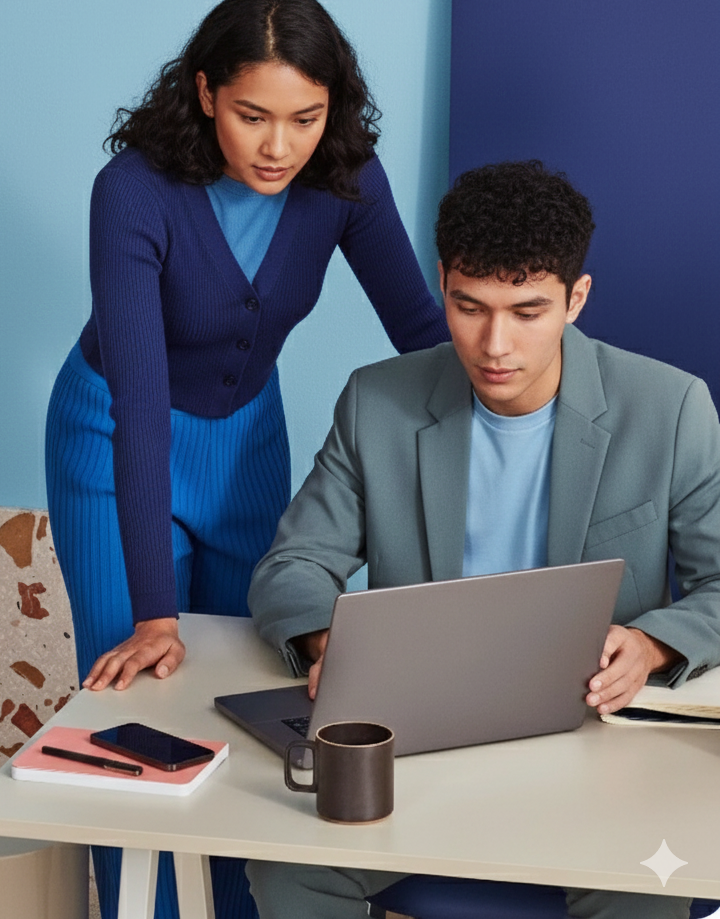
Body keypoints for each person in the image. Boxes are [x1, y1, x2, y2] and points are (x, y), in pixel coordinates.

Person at [44, 0, 448, 919]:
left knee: (254, 690)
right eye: (252, 116)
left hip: (246, 440)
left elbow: (417, 329)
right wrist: (153, 612)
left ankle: (235, 904)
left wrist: (518, 395)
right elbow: (142, 405)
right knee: (134, 705)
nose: (279, 146)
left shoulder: (345, 177)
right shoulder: (134, 193)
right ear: (204, 95)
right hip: (111, 434)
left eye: (305, 117)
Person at [246, 160, 720, 919]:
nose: (494, 344)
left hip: (596, 748)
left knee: (646, 882)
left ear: (577, 299)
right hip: (417, 746)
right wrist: (322, 641)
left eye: (527, 311)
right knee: (286, 868)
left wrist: (655, 644)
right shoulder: (377, 402)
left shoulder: (670, 410)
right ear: (442, 284)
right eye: (469, 307)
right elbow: (295, 563)